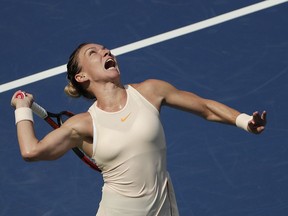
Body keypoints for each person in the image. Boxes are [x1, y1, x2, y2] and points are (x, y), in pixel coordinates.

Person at [11, 43, 267, 216]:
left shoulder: (150, 91)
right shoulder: (83, 124)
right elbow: (31, 151)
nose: (105, 51)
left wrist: (245, 121)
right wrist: (21, 108)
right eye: (93, 53)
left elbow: (205, 107)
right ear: (81, 77)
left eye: (105, 49)